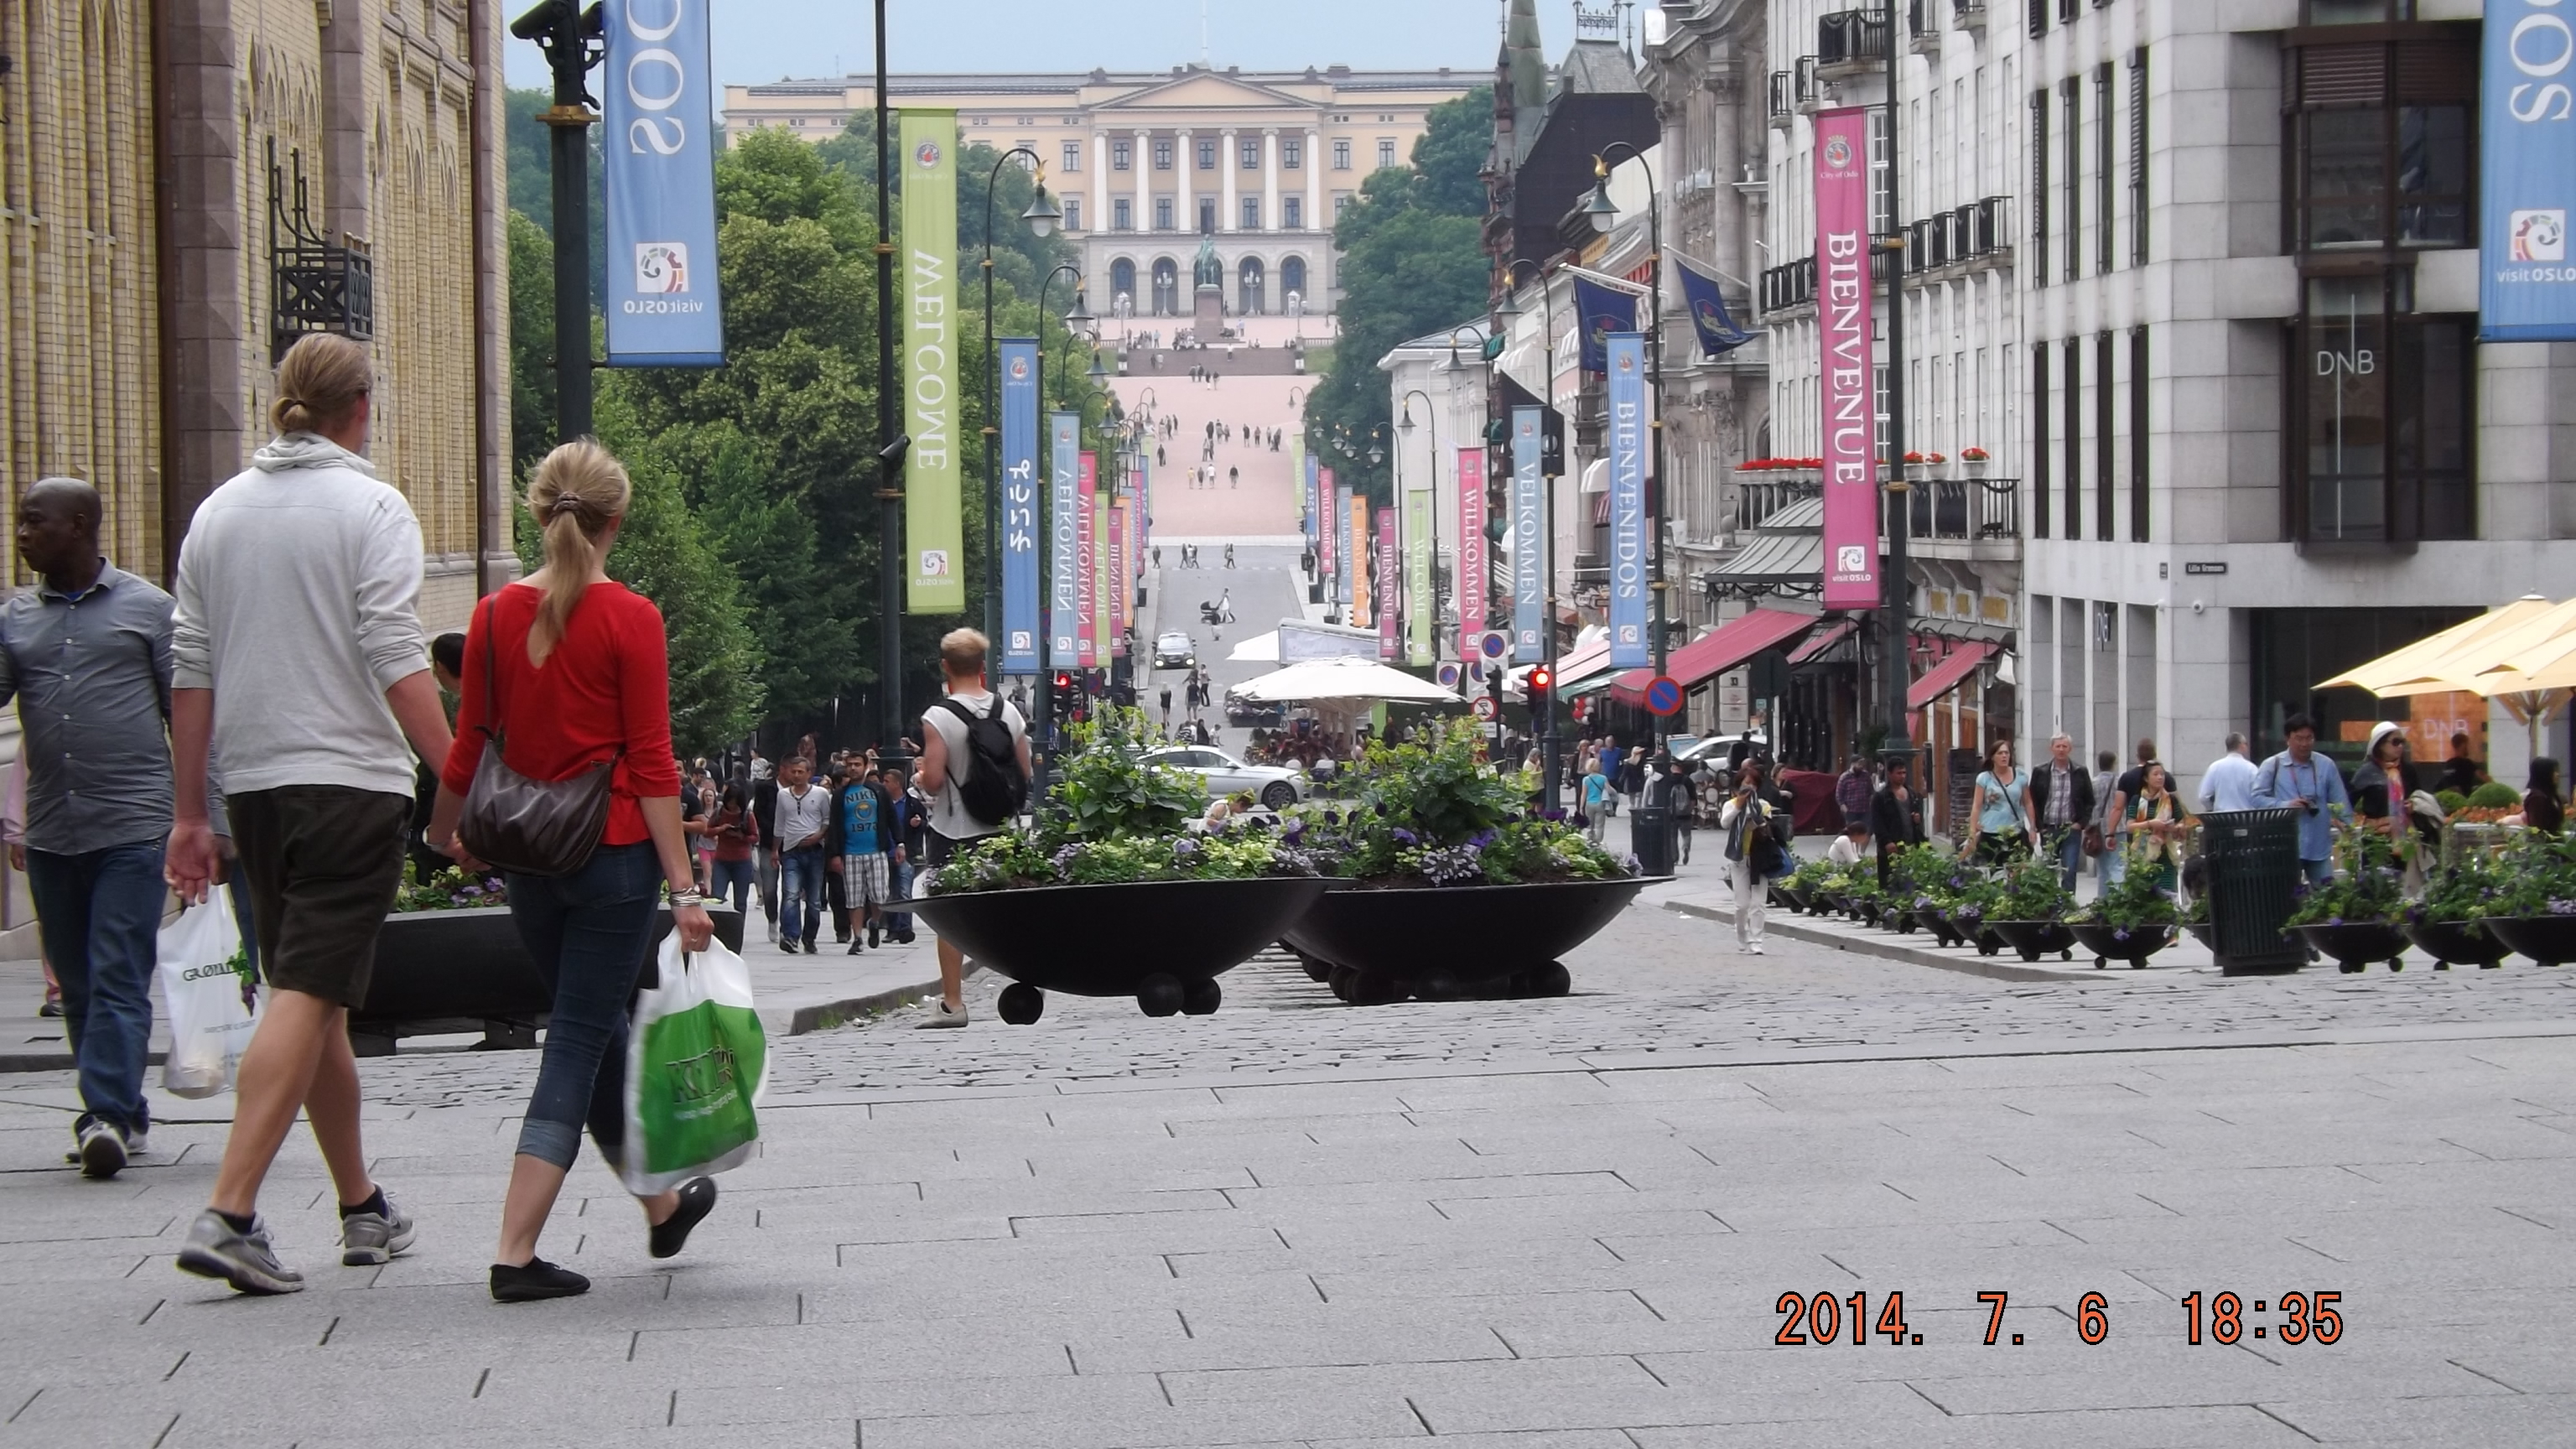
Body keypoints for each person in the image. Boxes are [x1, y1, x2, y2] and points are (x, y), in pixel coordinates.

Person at [166, 334, 454, 1293]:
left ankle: (361, 1205)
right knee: (304, 991)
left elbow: (191, 669)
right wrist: (459, 775)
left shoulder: (218, 514)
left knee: (313, 994)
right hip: (351, 785)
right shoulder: (373, 508)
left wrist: (189, 811)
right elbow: (395, 651)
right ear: (361, 408)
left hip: (254, 788)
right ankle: (231, 1211)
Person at [423, 439, 719, 1302]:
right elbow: (653, 763)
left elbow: (471, 741)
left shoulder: (490, 616)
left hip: (528, 859)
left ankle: (662, 1206)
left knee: (595, 1029)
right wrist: (686, 891)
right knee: (579, 1040)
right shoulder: (631, 618)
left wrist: (445, 834)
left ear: (537, 511)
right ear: (615, 521)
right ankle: (514, 1253)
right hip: (613, 856)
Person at [2, 477, 172, 1177]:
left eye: (32, 522)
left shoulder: (149, 610)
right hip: (53, 831)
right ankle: (124, 1109)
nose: (21, 535)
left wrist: (212, 821)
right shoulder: (14, 618)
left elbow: (192, 718)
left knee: (117, 971)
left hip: (134, 826)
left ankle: (103, 1113)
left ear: (77, 524)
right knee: (75, 983)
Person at [918, 628, 1032, 1027]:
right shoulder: (1008, 711)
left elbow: (934, 781)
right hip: (1002, 826)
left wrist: (919, 777)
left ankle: (953, 1003)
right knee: (1008, 910)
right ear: (982, 666)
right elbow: (1025, 772)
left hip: (953, 828)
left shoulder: (938, 717)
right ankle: (1028, 985)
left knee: (951, 916)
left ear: (945, 666)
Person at [2251, 714, 2351, 885]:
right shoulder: (2273, 765)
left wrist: (2348, 827)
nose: (2304, 744)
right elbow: (2256, 798)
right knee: (2287, 895)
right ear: (2287, 739)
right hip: (2285, 846)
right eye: (2299, 738)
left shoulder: (2326, 765)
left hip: (2319, 846)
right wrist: (2286, 805)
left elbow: (2340, 801)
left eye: (2309, 738)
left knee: (2327, 893)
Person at [824, 756, 899, 953]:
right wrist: (835, 854)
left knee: (880, 895)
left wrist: (900, 843)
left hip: (876, 851)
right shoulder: (840, 795)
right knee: (854, 898)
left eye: (857, 765)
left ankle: (874, 921)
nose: (853, 768)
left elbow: (891, 817)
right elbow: (834, 825)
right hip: (851, 853)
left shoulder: (878, 790)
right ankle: (857, 937)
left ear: (865, 767)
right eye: (850, 765)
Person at [1719, 763, 1785, 955]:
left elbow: (1768, 827)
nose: (1749, 787)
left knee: (1758, 903)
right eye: (1746, 783)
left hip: (1760, 857)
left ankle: (1757, 940)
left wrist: (1758, 821)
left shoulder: (1763, 805)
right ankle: (1742, 935)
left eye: (1753, 784)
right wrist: (1739, 807)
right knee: (1742, 905)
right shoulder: (1730, 804)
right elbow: (1725, 823)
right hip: (1739, 857)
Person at [770, 756, 829, 953]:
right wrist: (775, 850)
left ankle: (809, 937)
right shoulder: (783, 795)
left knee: (814, 899)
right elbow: (779, 824)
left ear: (809, 773)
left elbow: (827, 820)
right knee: (791, 894)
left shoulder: (821, 794)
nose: (796, 775)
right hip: (791, 850)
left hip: (815, 851)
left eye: (800, 772)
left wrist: (818, 836)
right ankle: (790, 936)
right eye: (793, 771)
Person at [2026, 734, 2094, 892]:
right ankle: (2050, 902)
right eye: (2058, 746)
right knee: (2048, 870)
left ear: (2070, 749)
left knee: (2069, 870)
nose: (2061, 750)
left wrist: (2081, 823)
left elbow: (2090, 800)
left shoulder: (2080, 771)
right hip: (2048, 828)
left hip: (2071, 829)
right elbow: (2032, 800)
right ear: (2051, 749)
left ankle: (2067, 902)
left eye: (2064, 746)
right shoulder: (2040, 771)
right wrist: (2038, 826)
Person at [2122, 761, 2194, 896]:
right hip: (2143, 855)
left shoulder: (2170, 799)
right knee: (2144, 895)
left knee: (2168, 895)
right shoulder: (2137, 800)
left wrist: (2176, 828)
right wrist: (2150, 824)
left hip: (2166, 854)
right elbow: (2130, 827)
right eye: (2155, 774)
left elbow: (2181, 823)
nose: (2160, 777)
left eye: (2162, 774)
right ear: (2146, 778)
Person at [1963, 739, 2034, 865]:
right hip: (1990, 831)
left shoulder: (2021, 776)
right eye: (2000, 753)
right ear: (1993, 757)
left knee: (2015, 868)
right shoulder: (1984, 778)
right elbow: (1977, 805)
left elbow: (2028, 802)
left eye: (2007, 753)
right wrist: (1972, 831)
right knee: (1992, 869)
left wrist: (2032, 828)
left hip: (2014, 831)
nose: (2004, 756)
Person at [2101, 738, 2158, 885]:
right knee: (2159, 868)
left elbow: (2118, 807)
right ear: (2155, 754)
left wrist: (2110, 833)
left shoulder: (2127, 778)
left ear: (2137, 756)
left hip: (2135, 829)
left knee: (2137, 867)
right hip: (2160, 830)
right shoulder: (2164, 778)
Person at [880, 765, 927, 944]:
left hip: (906, 853)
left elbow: (925, 824)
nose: (884, 784)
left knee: (904, 891)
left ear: (897, 784)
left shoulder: (913, 804)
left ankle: (905, 928)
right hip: (886, 852)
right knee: (890, 893)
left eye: (887, 781)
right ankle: (892, 929)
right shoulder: (882, 804)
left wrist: (918, 823)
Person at [1870, 757, 1927, 891]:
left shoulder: (1912, 793)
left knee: (1911, 882)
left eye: (1904, 773)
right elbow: (1877, 822)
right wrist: (1886, 841)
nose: (1902, 776)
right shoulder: (1881, 797)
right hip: (1892, 846)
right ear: (1890, 774)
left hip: (1911, 845)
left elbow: (1918, 817)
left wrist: (1918, 819)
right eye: (1898, 773)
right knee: (1891, 882)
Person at [706, 783, 760, 918]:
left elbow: (755, 837)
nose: (732, 806)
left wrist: (742, 836)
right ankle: (718, 927)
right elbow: (706, 832)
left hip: (742, 861)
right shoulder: (719, 813)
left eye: (736, 804)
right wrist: (721, 829)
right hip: (722, 860)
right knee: (717, 898)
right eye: (730, 803)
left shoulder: (747, 815)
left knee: (740, 902)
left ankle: (738, 927)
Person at [2195, 733, 2258, 815]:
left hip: (2222, 817)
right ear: (2242, 746)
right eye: (2246, 744)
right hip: (2246, 817)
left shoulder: (2215, 767)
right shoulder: (2251, 768)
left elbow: (2203, 797)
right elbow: (2258, 795)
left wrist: (2211, 809)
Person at [1651, 756, 1696, 865]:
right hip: (1685, 814)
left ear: (1672, 767)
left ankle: (1674, 858)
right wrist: (1689, 810)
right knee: (1686, 834)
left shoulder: (1666, 780)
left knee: (1672, 836)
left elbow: (1662, 798)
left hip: (1671, 813)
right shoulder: (1688, 780)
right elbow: (1693, 798)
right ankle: (1686, 847)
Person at [2518, 758, 2566, 834]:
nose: (2557, 774)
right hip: (2544, 840)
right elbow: (2537, 827)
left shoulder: (2553, 796)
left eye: (2557, 771)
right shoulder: (2537, 798)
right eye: (2554, 771)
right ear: (2544, 774)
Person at [2436, 733, 2485, 797]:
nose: (2470, 748)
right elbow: (2483, 776)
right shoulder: (2465, 763)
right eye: (2468, 745)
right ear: (2463, 745)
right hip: (2462, 799)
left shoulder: (2449, 764)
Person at [1835, 757, 1873, 831]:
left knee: (1866, 831)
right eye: (1859, 764)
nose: (1861, 766)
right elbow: (1839, 794)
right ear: (1853, 764)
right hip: (1851, 810)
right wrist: (1842, 805)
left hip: (1865, 810)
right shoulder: (1844, 777)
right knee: (1852, 831)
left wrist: (1871, 802)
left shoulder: (1866, 776)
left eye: (1863, 764)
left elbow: (1871, 791)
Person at [1581, 766, 1611, 844]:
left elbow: (1584, 794)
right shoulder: (1603, 778)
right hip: (1600, 803)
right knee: (1600, 825)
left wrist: (1581, 806)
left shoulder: (1586, 779)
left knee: (1589, 824)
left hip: (1589, 803)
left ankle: (1590, 840)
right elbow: (1609, 790)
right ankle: (1598, 841)